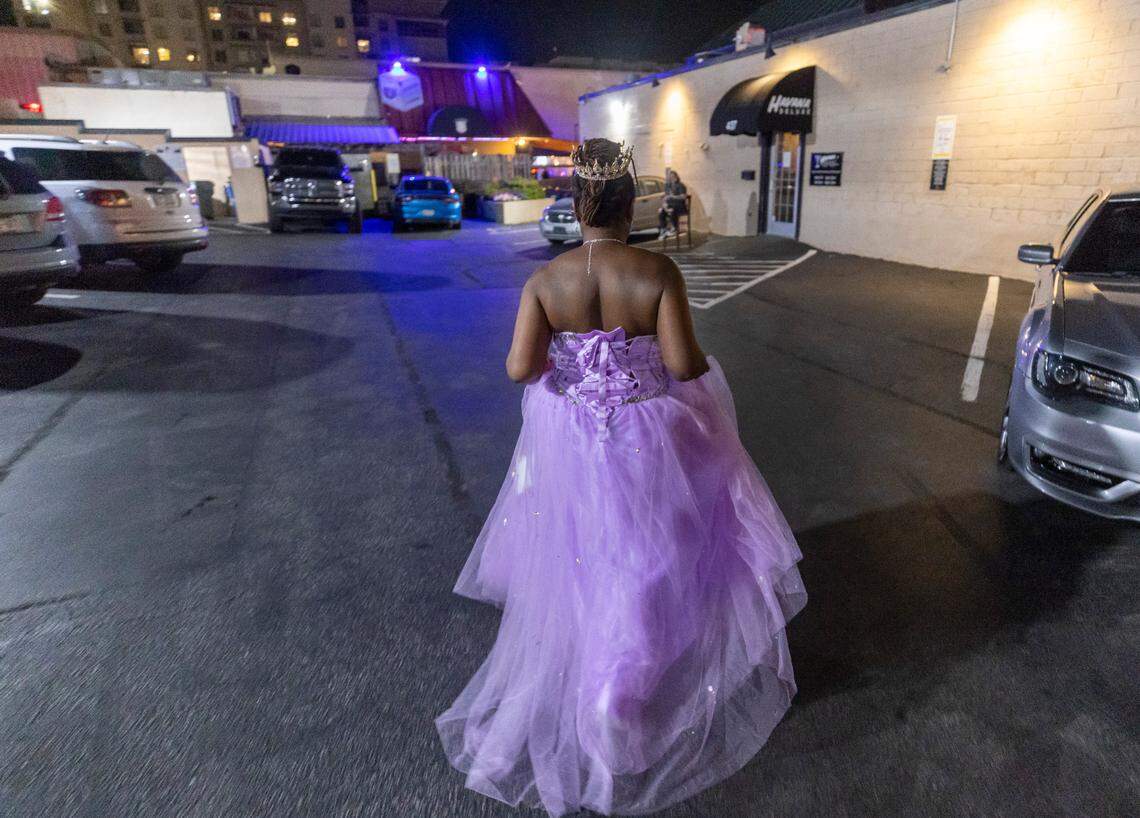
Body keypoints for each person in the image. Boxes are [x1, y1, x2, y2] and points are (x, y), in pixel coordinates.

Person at [436, 138, 806, 817]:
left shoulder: (545, 282)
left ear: (577, 203)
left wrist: (573, 373)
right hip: (647, 437)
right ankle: (625, 683)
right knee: (653, 556)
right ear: (627, 201)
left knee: (583, 558)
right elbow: (684, 363)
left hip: (573, 438)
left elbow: (520, 369)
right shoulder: (656, 270)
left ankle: (597, 678)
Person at [658, 169, 688, 238]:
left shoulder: (680, 185)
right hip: (670, 206)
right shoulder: (669, 186)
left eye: (672, 176)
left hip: (679, 206)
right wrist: (664, 206)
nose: (671, 178)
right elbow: (665, 198)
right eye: (669, 177)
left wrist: (672, 196)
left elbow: (683, 197)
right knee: (661, 212)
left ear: (676, 177)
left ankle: (674, 228)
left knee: (672, 210)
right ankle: (663, 229)